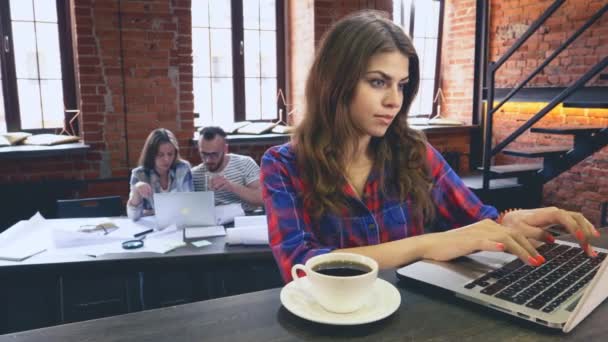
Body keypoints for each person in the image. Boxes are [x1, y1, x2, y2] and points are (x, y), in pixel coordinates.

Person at [260, 10, 600, 283]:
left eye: (402, 85)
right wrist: (427, 244)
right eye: (378, 82)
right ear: (333, 82)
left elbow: (478, 221)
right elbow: (300, 267)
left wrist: (511, 222)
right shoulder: (283, 165)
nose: (394, 100)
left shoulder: (412, 150)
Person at [127, 128, 194, 220]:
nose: (166, 159)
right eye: (160, 155)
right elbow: (133, 216)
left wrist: (153, 212)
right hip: (153, 230)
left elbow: (190, 206)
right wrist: (136, 190)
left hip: (180, 224)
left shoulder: (183, 168)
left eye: (170, 154)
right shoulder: (139, 174)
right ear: (151, 154)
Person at [192, 126, 263, 211]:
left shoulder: (245, 163)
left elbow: (262, 198)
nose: (208, 160)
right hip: (212, 221)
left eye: (214, 154)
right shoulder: (194, 174)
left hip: (245, 219)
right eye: (204, 154)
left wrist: (231, 186)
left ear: (225, 149)